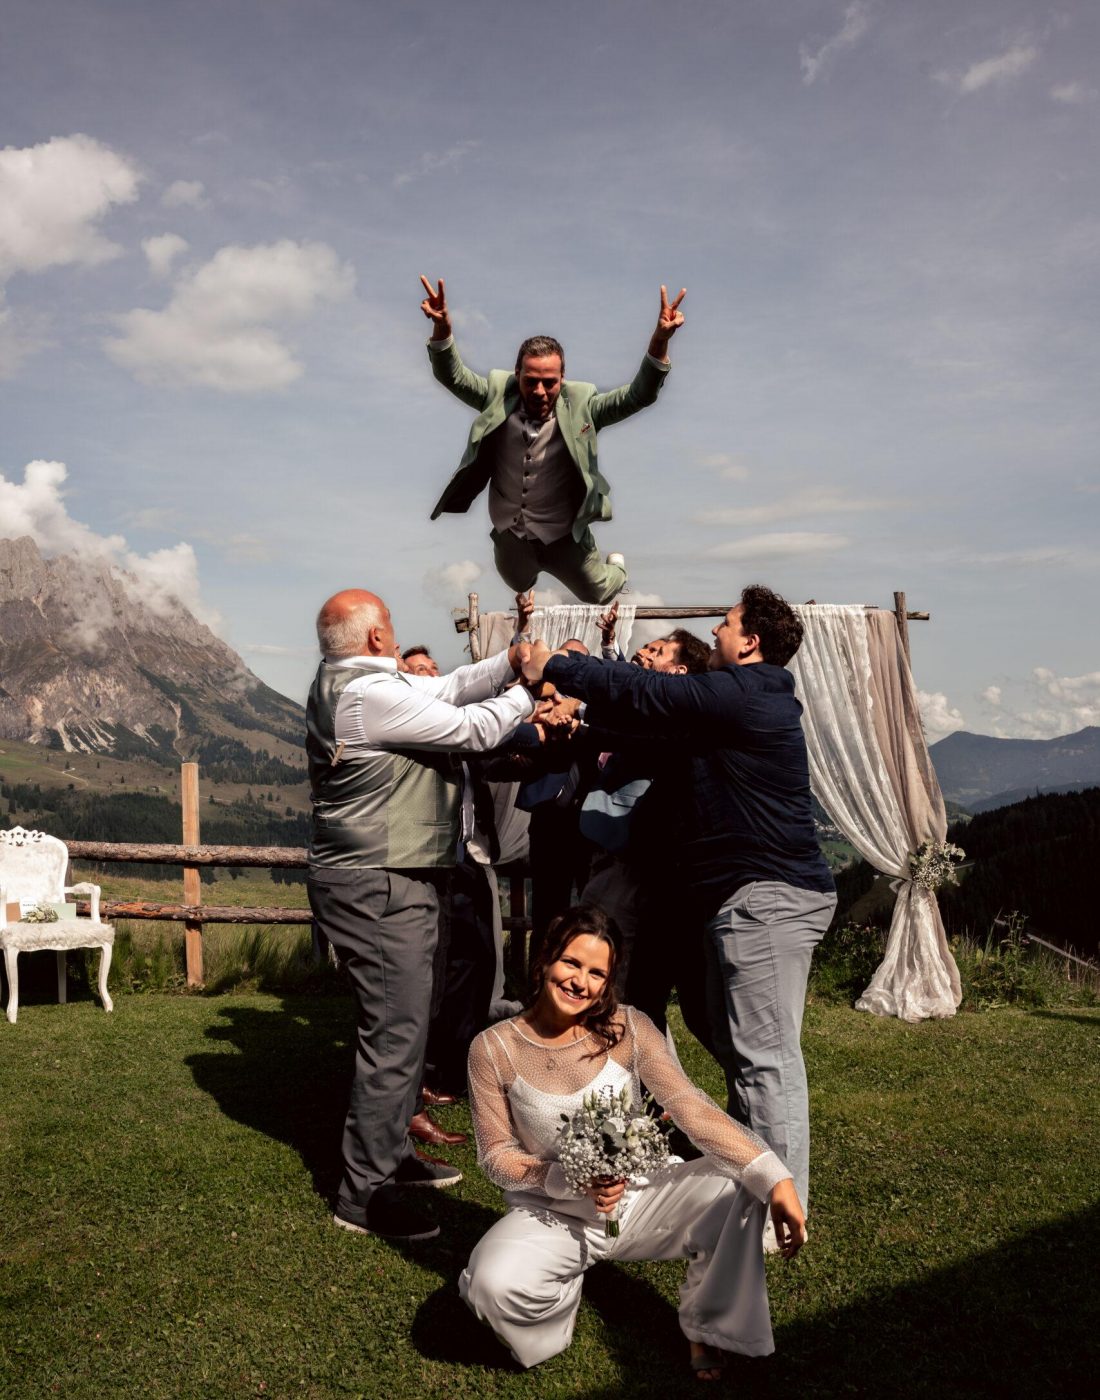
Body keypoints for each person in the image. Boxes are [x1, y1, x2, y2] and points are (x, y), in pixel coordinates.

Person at [521, 586, 837, 1214]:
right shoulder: (733, 707)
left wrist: (552, 664)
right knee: (746, 1053)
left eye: (726, 623)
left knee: (765, 1060)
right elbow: (653, 730)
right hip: (750, 898)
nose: (717, 631)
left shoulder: (746, 691)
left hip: (766, 898)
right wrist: (581, 721)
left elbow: (653, 694)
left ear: (750, 641)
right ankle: (750, 1182)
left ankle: (780, 1207)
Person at [460, 905, 805, 1379]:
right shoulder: (492, 1048)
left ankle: (705, 1327)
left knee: (739, 1185)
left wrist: (775, 1177)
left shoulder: (628, 1028)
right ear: (545, 960)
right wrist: (563, 1177)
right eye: (571, 963)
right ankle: (558, 1304)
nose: (581, 981)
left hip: (643, 1198)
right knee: (490, 1285)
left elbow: (690, 1106)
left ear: (608, 981)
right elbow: (496, 1157)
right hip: (551, 1212)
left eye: (596, 972)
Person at [305, 588, 539, 1242]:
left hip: (392, 875)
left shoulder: (353, 684)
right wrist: (526, 685)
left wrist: (504, 662)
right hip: (380, 879)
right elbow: (470, 727)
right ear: (379, 638)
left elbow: (450, 689)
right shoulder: (368, 695)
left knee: (406, 1026)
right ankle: (364, 1194)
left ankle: (392, 1155)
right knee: (394, 1033)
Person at [420, 276, 686, 604]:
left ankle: (616, 566)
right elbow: (453, 376)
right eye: (531, 381)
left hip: (563, 537)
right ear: (517, 375)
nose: (540, 391)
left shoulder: (584, 406)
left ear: (563, 378)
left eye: (549, 382)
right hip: (511, 535)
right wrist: (442, 329)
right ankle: (522, 563)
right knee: (518, 584)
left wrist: (660, 339)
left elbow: (638, 396)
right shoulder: (496, 396)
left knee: (599, 593)